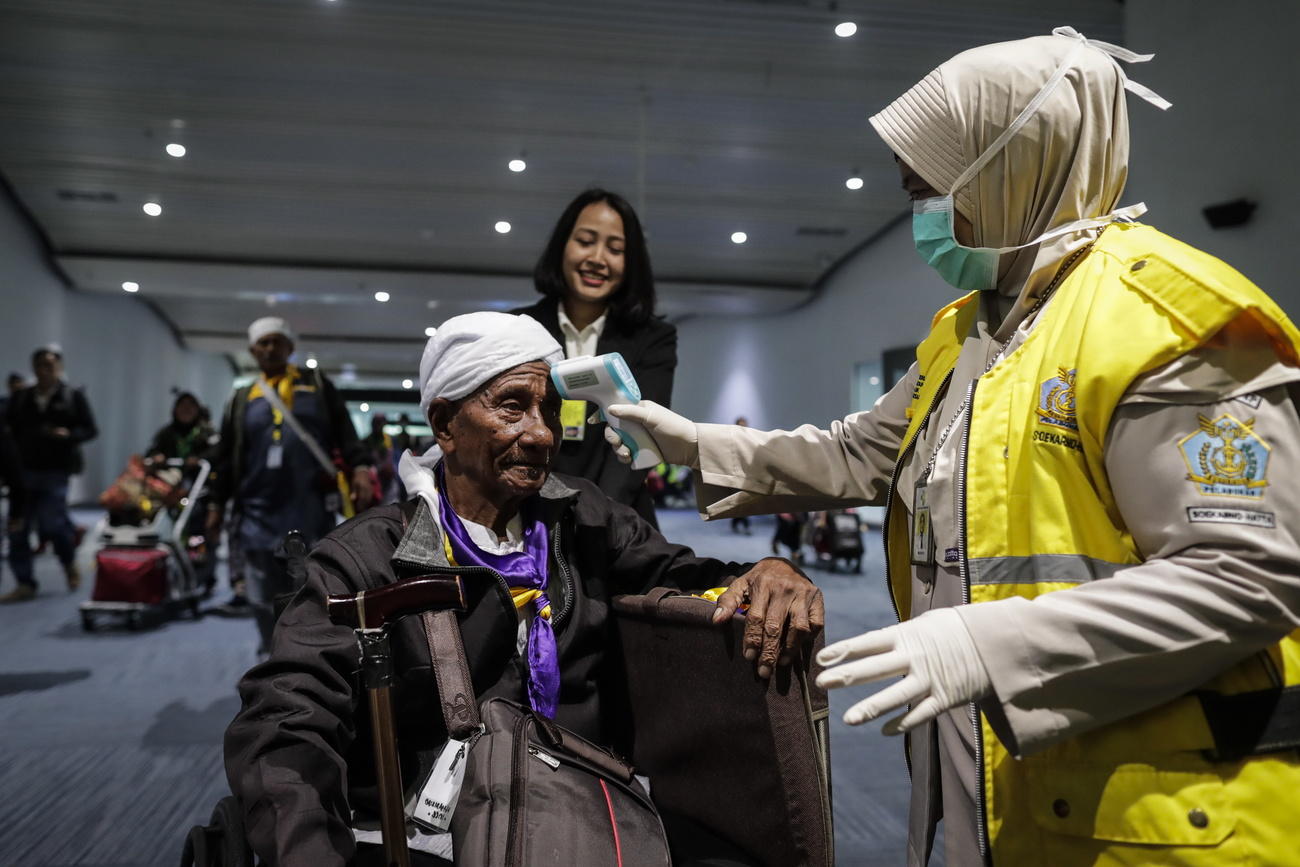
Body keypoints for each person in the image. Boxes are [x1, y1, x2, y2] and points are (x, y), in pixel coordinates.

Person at [604, 27, 1300, 867]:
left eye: (931, 190)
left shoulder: (1163, 326)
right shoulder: (969, 330)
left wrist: (983, 644)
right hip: (1008, 779)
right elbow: (863, 453)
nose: (921, 217)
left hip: (1158, 813)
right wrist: (695, 444)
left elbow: (1247, 577)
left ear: (1012, 165)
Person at [223, 312, 823, 866]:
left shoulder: (585, 517)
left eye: (549, 410)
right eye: (512, 407)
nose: (540, 434)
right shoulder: (367, 559)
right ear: (444, 424)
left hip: (581, 816)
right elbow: (285, 722)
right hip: (430, 835)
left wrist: (767, 570)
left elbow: (690, 578)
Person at [511, 188, 677, 527]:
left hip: (618, 520)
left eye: (615, 249)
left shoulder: (653, 339)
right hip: (525, 513)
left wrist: (594, 517)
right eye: (586, 241)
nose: (598, 258)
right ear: (562, 246)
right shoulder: (518, 328)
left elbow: (640, 436)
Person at [207, 317, 376, 647]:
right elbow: (226, 458)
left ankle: (305, 652)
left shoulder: (315, 384)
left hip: (308, 505)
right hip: (256, 509)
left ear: (290, 347)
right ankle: (270, 648)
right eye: (263, 344)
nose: (270, 349)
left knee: (311, 583)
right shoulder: (242, 398)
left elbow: (345, 433)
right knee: (259, 589)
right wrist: (215, 503)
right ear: (253, 351)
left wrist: (360, 469)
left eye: (277, 342)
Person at [2, 345, 97, 601]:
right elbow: (6, 429)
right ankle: (25, 583)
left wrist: (70, 435)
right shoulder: (21, 398)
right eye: (40, 365)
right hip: (23, 472)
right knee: (17, 529)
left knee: (52, 524)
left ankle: (68, 563)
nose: (45, 371)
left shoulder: (71, 396)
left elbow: (90, 429)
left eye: (50, 366)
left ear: (59, 368)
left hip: (56, 470)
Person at [146, 391, 215, 465]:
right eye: (182, 406)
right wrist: (156, 456)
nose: (186, 410)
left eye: (190, 407)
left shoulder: (206, 432)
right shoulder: (167, 432)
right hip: (170, 473)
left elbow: (217, 451)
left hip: (198, 474)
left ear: (197, 410)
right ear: (175, 410)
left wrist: (200, 458)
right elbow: (151, 451)